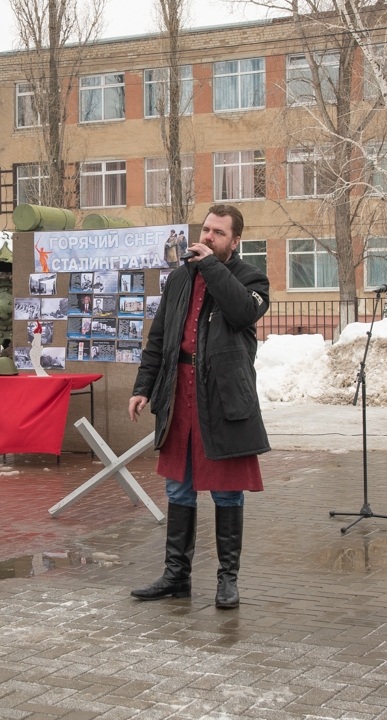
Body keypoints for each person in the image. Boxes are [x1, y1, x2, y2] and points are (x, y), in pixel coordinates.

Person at [129, 205, 271, 608]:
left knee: (227, 492)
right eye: (205, 230)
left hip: (224, 398)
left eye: (218, 234)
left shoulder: (251, 278)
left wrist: (212, 268)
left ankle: (228, 580)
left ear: (235, 241)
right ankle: (176, 575)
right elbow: (159, 338)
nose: (207, 238)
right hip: (180, 394)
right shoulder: (178, 279)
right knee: (179, 486)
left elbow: (243, 310)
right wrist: (144, 386)